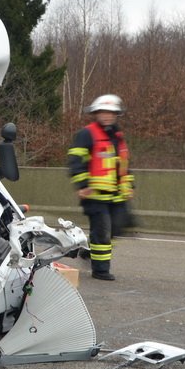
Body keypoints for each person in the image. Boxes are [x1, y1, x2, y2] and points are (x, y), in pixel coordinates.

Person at [67, 94, 133, 281]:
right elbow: (76, 160)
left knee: (116, 230)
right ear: (96, 113)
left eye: (111, 113)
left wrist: (129, 185)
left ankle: (89, 252)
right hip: (95, 196)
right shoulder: (87, 134)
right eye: (103, 112)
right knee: (102, 231)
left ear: (116, 115)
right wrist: (83, 184)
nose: (107, 116)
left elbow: (125, 164)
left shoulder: (118, 137)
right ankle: (101, 270)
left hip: (116, 196)